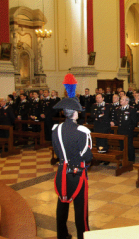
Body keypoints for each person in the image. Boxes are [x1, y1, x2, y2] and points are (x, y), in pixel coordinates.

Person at [52, 95, 92, 239]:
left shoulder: (56, 129)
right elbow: (88, 157)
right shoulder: (82, 131)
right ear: (75, 113)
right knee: (80, 209)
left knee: (62, 203)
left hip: (62, 171)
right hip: (77, 174)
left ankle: (62, 235)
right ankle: (83, 236)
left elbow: (57, 152)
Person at [114, 96, 137, 162]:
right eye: (121, 99)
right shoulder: (118, 109)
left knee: (129, 146)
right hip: (120, 130)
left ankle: (131, 160)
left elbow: (134, 121)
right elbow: (117, 119)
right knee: (122, 146)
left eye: (122, 99)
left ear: (127, 101)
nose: (121, 100)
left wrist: (130, 128)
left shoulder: (131, 109)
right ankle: (124, 159)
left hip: (128, 130)